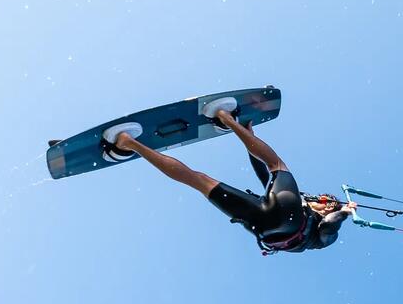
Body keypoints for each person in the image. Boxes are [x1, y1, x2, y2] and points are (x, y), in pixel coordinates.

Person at [109, 106, 353, 255]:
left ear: (328, 207)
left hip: (288, 223)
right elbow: (264, 176)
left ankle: (225, 118)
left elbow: (330, 225)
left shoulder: (323, 233)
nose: (318, 201)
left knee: (277, 164)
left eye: (324, 202)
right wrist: (249, 139)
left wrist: (345, 210)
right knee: (199, 181)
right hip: (261, 225)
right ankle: (126, 143)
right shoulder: (300, 208)